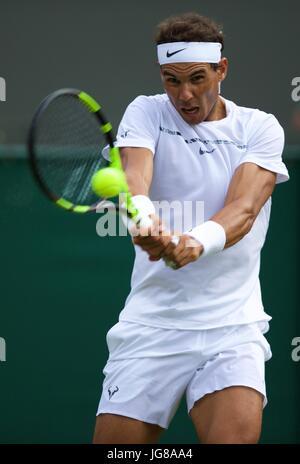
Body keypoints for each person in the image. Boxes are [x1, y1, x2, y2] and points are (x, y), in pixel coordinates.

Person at [93, 12, 289, 444]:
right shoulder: (146, 111)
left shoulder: (259, 127)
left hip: (232, 328)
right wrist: (144, 222)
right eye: (171, 80)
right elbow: (135, 177)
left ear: (222, 69)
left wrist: (195, 243)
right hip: (152, 325)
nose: (184, 94)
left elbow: (244, 209)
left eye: (197, 78)